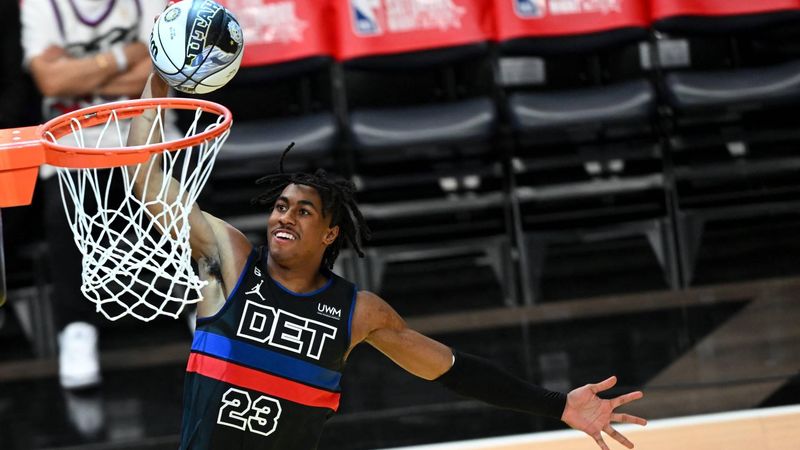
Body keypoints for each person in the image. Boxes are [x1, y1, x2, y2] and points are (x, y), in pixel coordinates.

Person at [129, 73, 647, 450]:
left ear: (330, 232)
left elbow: (452, 370)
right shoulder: (233, 258)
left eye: (303, 211)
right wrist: (158, 78)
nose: (284, 217)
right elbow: (145, 182)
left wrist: (557, 405)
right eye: (281, 207)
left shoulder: (358, 312)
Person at [20, 0, 171, 390]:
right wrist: (130, 53)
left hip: (146, 128)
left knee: (181, 201)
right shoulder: (40, 6)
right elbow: (49, 83)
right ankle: (76, 328)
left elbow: (161, 72)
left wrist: (79, 71)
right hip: (72, 138)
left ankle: (203, 310)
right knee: (62, 211)